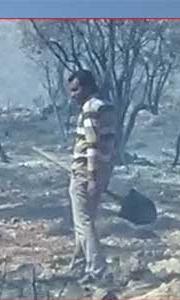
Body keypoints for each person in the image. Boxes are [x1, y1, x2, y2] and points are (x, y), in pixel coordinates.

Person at [67, 70, 117, 284]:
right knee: (85, 219)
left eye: (75, 89)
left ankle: (96, 269)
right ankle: (79, 263)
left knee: (83, 221)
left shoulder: (89, 109)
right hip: (102, 169)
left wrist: (91, 177)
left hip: (85, 172)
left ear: (87, 87)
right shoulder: (106, 107)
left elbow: (92, 145)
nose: (72, 94)